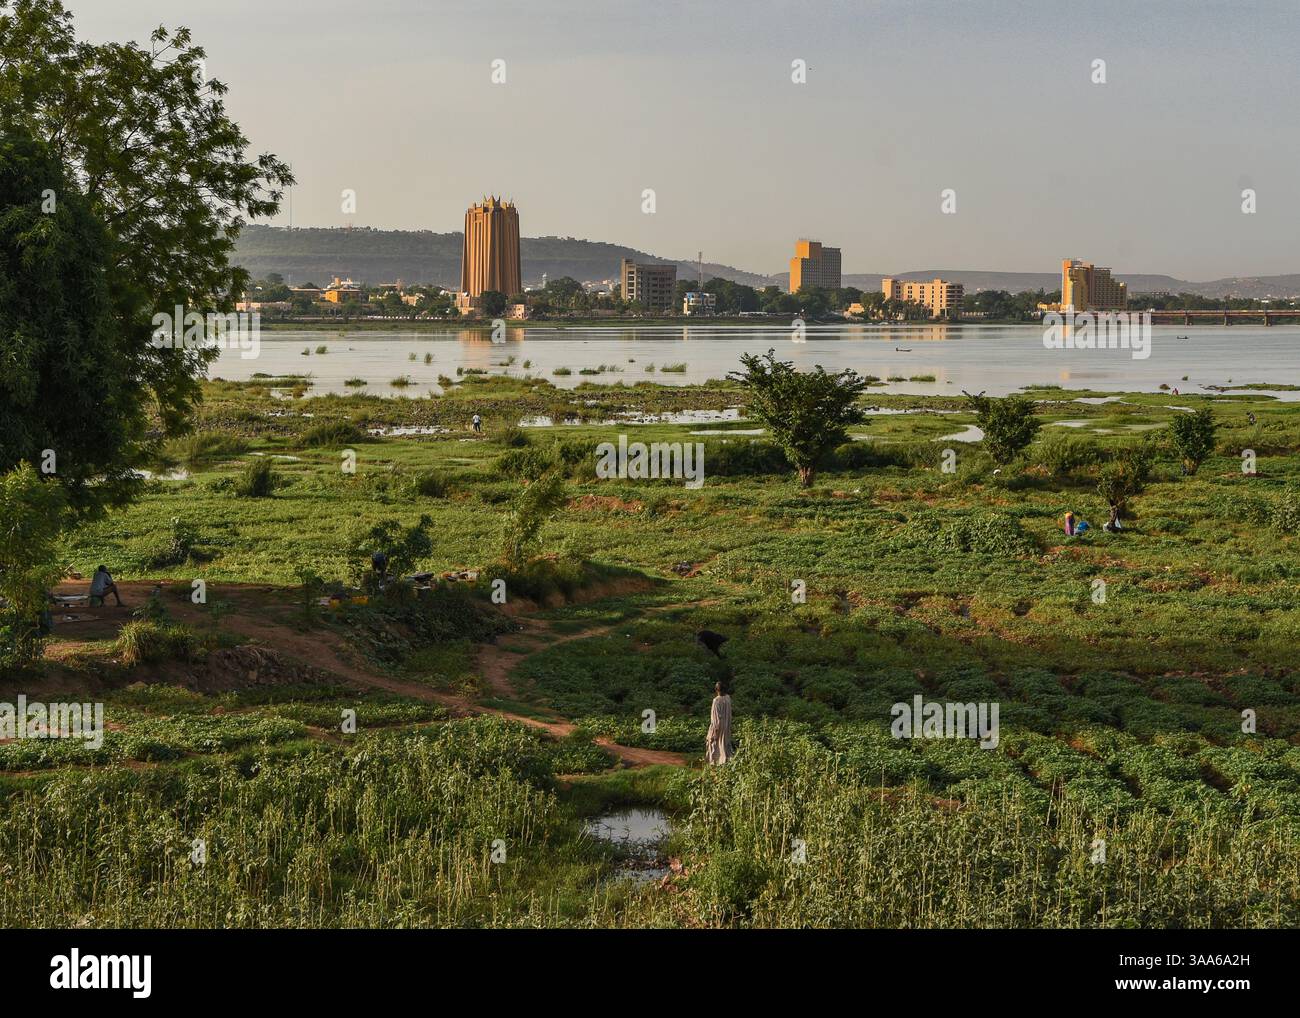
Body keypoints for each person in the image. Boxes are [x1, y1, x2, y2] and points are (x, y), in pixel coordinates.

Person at [705, 681, 734, 765]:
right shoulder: (728, 698)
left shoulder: (716, 701)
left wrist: (714, 730)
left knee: (714, 743)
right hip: (726, 725)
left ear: (716, 690)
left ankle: (717, 761)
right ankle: (726, 761)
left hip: (719, 726)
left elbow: (716, 717)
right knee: (724, 744)